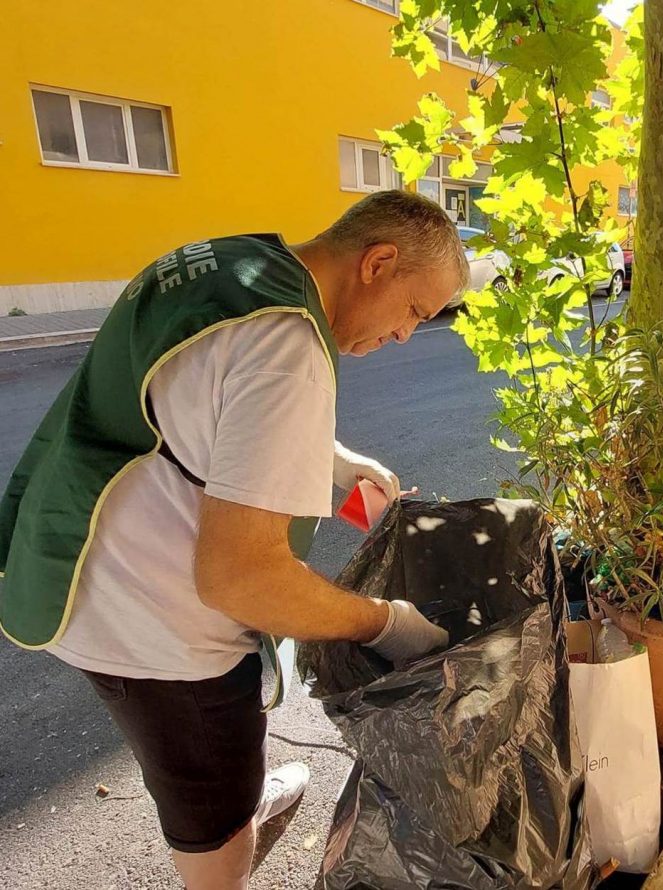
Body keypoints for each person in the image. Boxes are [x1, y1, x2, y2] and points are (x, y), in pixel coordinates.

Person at [0, 190, 469, 889]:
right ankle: (226, 837)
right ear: (379, 261)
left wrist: (330, 458)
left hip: (76, 554)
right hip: (152, 631)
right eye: (415, 312)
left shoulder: (232, 263)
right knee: (207, 800)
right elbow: (242, 580)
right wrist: (387, 623)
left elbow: (201, 400)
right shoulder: (290, 348)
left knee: (223, 751)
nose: (407, 336)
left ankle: (246, 795)